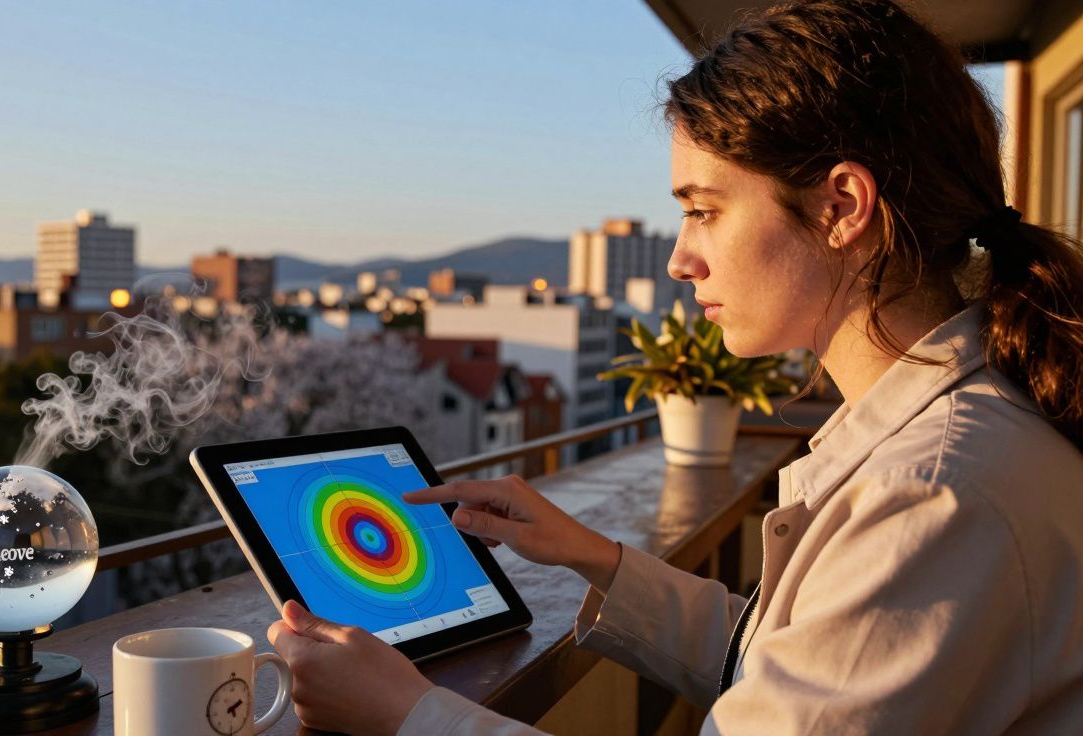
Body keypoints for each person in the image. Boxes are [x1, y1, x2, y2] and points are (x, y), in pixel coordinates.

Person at [267, 0, 1083, 733]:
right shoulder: (959, 433)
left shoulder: (933, 496)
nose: (682, 259)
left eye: (703, 210)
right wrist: (595, 556)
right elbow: (804, 668)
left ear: (842, 208)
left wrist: (407, 713)